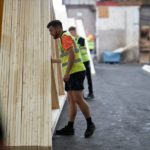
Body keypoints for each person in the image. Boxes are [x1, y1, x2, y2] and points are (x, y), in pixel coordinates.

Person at [47, 20, 95, 138]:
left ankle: (90, 124)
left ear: (58, 28)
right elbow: (66, 58)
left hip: (76, 72)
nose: (51, 33)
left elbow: (72, 55)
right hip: (72, 72)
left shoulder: (65, 37)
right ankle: (70, 127)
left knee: (78, 99)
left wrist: (67, 73)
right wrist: (53, 60)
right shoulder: (64, 38)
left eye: (51, 30)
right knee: (71, 100)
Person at [69, 26, 94, 99]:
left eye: (72, 33)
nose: (71, 34)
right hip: (80, 62)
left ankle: (91, 93)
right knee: (80, 79)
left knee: (88, 77)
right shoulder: (73, 39)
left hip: (85, 60)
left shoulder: (81, 39)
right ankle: (81, 95)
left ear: (75, 32)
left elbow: (76, 49)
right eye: (70, 33)